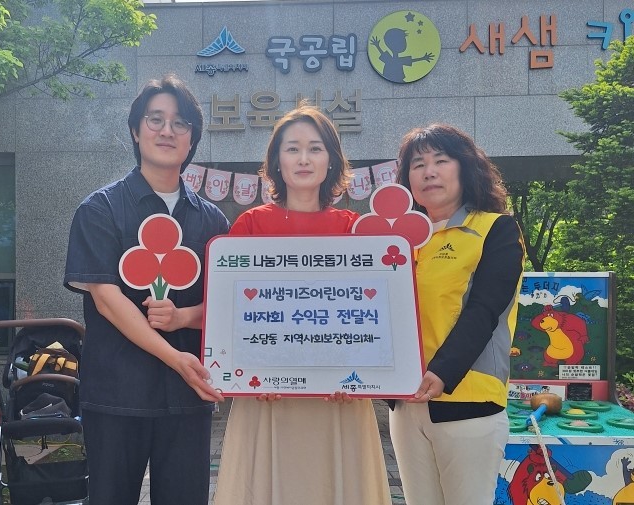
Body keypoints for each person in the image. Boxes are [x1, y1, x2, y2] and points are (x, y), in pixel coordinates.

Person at [213, 104, 392, 505]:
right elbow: (229, 313)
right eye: (292, 149)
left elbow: (371, 319)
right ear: (277, 161)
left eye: (315, 148)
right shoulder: (250, 225)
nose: (304, 159)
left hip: (340, 397)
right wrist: (253, 372)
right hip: (265, 395)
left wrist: (359, 375)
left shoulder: (355, 230)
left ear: (332, 160)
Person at [63, 74, 228, 505]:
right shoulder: (100, 209)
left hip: (188, 399)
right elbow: (107, 300)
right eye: (155, 119)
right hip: (117, 396)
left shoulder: (212, 221)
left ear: (192, 139)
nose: (167, 131)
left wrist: (183, 317)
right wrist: (176, 358)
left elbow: (227, 305)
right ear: (136, 131)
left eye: (180, 122)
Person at [389, 123, 525, 505]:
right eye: (418, 164)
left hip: (469, 404)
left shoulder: (496, 229)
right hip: (406, 405)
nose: (429, 172)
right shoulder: (398, 241)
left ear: (465, 167)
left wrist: (443, 372)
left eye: (441, 160)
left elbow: (485, 310)